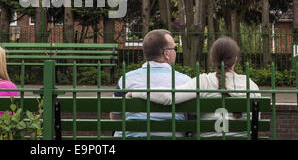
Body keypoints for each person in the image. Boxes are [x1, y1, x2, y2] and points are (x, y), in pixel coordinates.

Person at [127, 36, 261, 138]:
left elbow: (168, 97)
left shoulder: (204, 82)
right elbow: (256, 122)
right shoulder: (251, 85)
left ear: (212, 59)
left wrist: (137, 92)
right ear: (235, 59)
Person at [111, 29, 192, 138]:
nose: (176, 52)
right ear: (166, 53)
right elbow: (192, 118)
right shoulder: (185, 81)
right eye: (175, 49)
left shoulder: (127, 79)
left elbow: (115, 116)